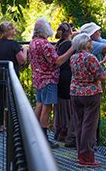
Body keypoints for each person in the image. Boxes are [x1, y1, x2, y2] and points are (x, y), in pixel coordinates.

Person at [69, 32, 106, 167]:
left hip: (75, 93)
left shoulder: (74, 58)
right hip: (90, 94)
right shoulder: (90, 58)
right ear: (86, 43)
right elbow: (103, 76)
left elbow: (86, 70)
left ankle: (81, 155)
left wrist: (102, 61)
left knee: (79, 123)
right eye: (90, 41)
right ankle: (87, 158)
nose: (92, 43)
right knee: (89, 125)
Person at [28, 18, 74, 148]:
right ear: (44, 29)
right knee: (47, 107)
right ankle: (43, 138)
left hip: (38, 78)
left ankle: (33, 132)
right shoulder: (44, 44)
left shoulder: (34, 43)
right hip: (48, 79)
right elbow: (57, 61)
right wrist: (71, 49)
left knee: (40, 104)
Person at [0, 21, 28, 132]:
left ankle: (0, 124)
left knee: (0, 99)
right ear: (8, 31)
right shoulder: (14, 44)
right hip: (11, 74)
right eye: (12, 28)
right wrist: (24, 49)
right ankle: (12, 124)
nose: (14, 30)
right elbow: (22, 60)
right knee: (12, 98)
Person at [54, 22, 76, 147]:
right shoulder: (69, 45)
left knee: (61, 106)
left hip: (60, 78)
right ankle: (67, 133)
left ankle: (59, 131)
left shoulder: (59, 44)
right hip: (67, 78)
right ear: (70, 32)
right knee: (68, 107)